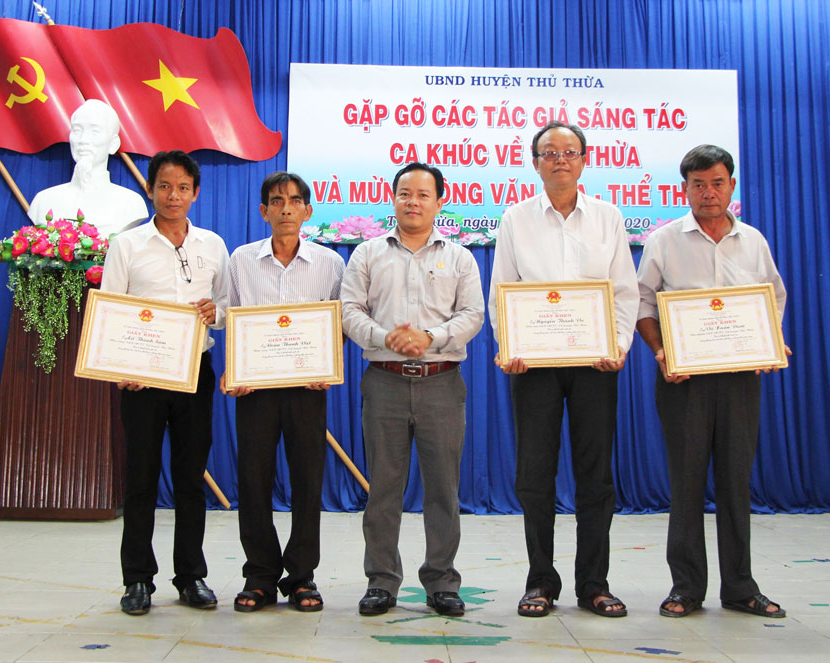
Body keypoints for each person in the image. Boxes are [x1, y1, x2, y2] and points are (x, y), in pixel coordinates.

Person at [488, 121, 639, 618]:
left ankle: (594, 583)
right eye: (549, 152)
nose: (560, 160)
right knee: (534, 475)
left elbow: (624, 291)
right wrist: (509, 345)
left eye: (569, 152)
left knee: (595, 476)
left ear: (583, 160)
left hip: (596, 362)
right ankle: (540, 582)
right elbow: (502, 289)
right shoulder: (515, 219)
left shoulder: (608, 217)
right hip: (534, 364)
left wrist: (619, 345)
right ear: (535, 163)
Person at [636, 144, 789, 619]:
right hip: (683, 380)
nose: (708, 193)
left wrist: (770, 342)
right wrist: (661, 350)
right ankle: (686, 588)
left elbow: (772, 299)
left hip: (740, 379)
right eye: (698, 185)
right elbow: (642, 304)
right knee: (685, 483)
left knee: (736, 483)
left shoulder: (754, 242)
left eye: (717, 183)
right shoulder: (664, 240)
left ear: (731, 186)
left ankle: (740, 587)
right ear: (684, 189)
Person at [340, 162, 484, 617]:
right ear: (393, 198)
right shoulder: (367, 253)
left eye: (423, 194)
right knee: (383, 487)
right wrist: (387, 338)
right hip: (383, 381)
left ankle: (441, 581)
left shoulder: (460, 258)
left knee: (443, 488)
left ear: (440, 200)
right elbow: (349, 311)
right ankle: (381, 581)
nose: (413, 202)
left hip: (442, 381)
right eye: (405, 193)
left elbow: (473, 315)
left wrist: (429, 338)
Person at [100, 150, 229, 616]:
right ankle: (137, 579)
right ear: (150, 189)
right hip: (143, 379)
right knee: (140, 479)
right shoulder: (127, 245)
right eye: (164, 186)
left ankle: (191, 576)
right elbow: (110, 310)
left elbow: (228, 306)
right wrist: (122, 369)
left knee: (191, 480)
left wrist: (217, 312)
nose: (173, 195)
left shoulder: (213, 245)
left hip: (195, 372)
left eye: (182, 188)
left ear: (195, 193)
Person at [220, 172, 345, 613]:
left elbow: (338, 323)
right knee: (253, 480)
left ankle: (302, 576)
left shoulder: (330, 263)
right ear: (264, 211)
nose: (286, 208)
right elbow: (231, 317)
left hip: (307, 387)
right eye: (276, 201)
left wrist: (327, 363)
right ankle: (259, 575)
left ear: (308, 210)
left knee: (308, 481)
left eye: (294, 200)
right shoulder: (241, 260)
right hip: (255, 388)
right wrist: (234, 368)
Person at [28, 99, 148, 236]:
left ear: (113, 144)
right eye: (77, 130)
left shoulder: (131, 204)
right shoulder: (43, 201)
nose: (83, 139)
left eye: (95, 131)